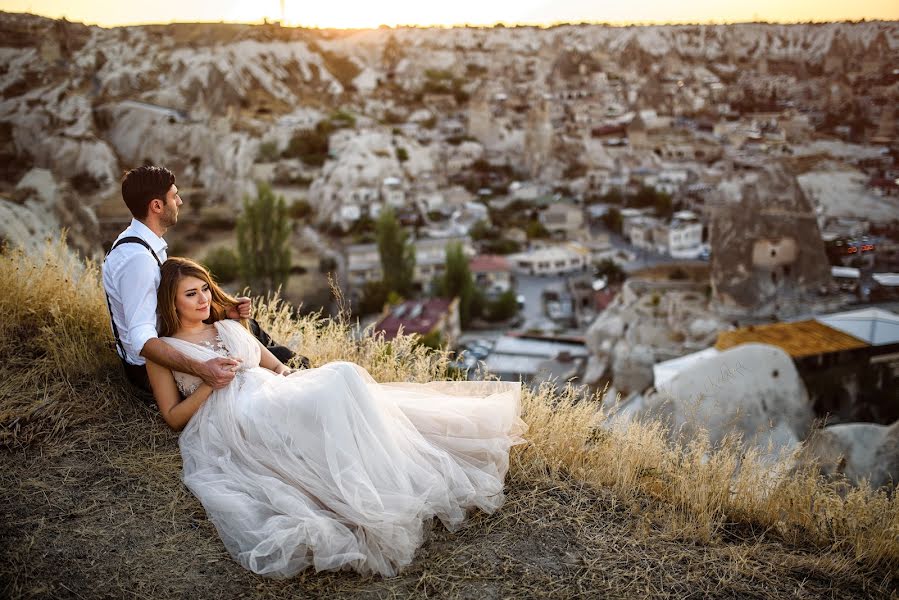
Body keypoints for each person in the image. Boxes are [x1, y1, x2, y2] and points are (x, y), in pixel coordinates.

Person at [146, 257, 527, 577]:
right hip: (232, 411)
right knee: (336, 384)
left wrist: (301, 381)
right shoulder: (164, 351)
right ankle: (364, 495)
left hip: (271, 389)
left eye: (205, 289)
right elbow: (173, 417)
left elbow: (277, 367)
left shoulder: (228, 325)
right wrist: (211, 383)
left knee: (342, 375)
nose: (202, 299)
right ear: (171, 303)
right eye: (190, 294)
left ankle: (386, 474)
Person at [101, 165, 301, 397]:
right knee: (251, 348)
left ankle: (295, 373)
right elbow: (142, 341)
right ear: (156, 206)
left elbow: (163, 307)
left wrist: (219, 310)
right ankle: (298, 380)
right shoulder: (139, 261)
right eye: (174, 196)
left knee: (245, 328)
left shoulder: (137, 242)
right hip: (148, 371)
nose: (181, 202)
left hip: (172, 339)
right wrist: (203, 369)